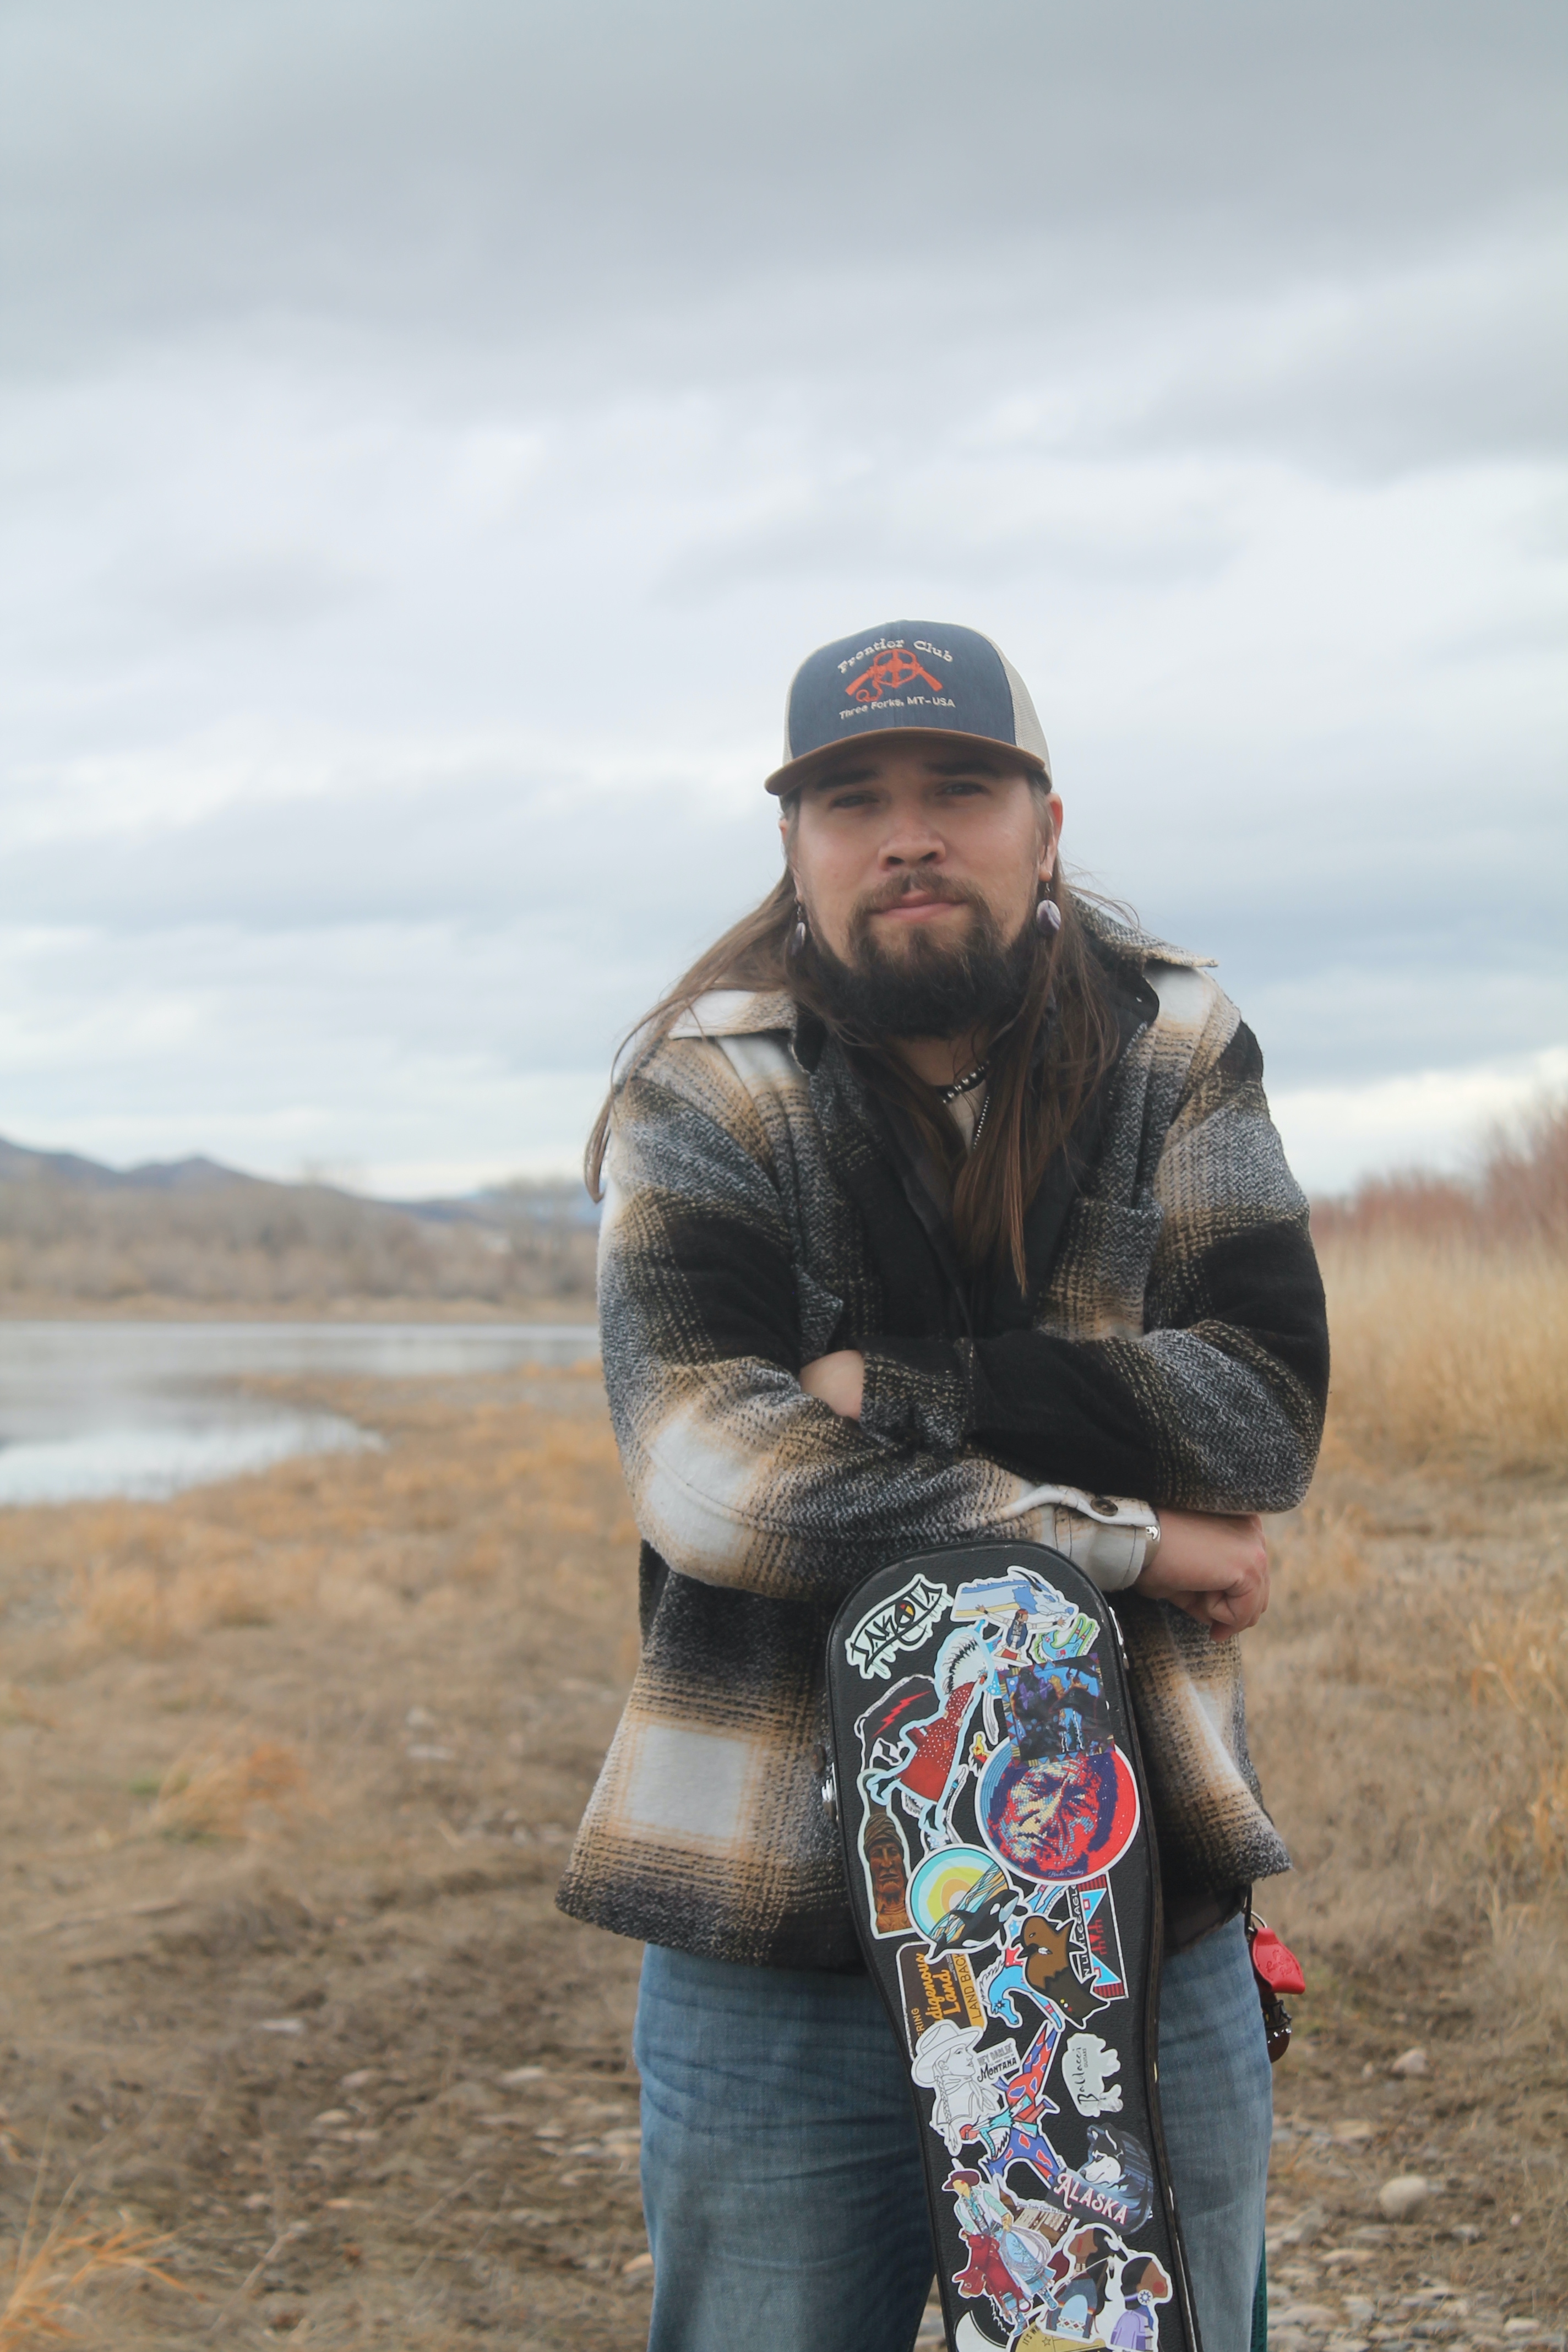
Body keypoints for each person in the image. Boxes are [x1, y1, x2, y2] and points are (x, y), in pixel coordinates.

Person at [557, 619, 1329, 2352]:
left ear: (1045, 826)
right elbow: (718, 1480)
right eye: (854, 800)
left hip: (1144, 1902)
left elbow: (1264, 1415)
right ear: (795, 844)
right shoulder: (704, 1086)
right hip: (772, 1920)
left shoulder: (1177, 1048)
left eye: (960, 789)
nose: (909, 835)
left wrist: (903, 1390)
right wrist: (1125, 1540)